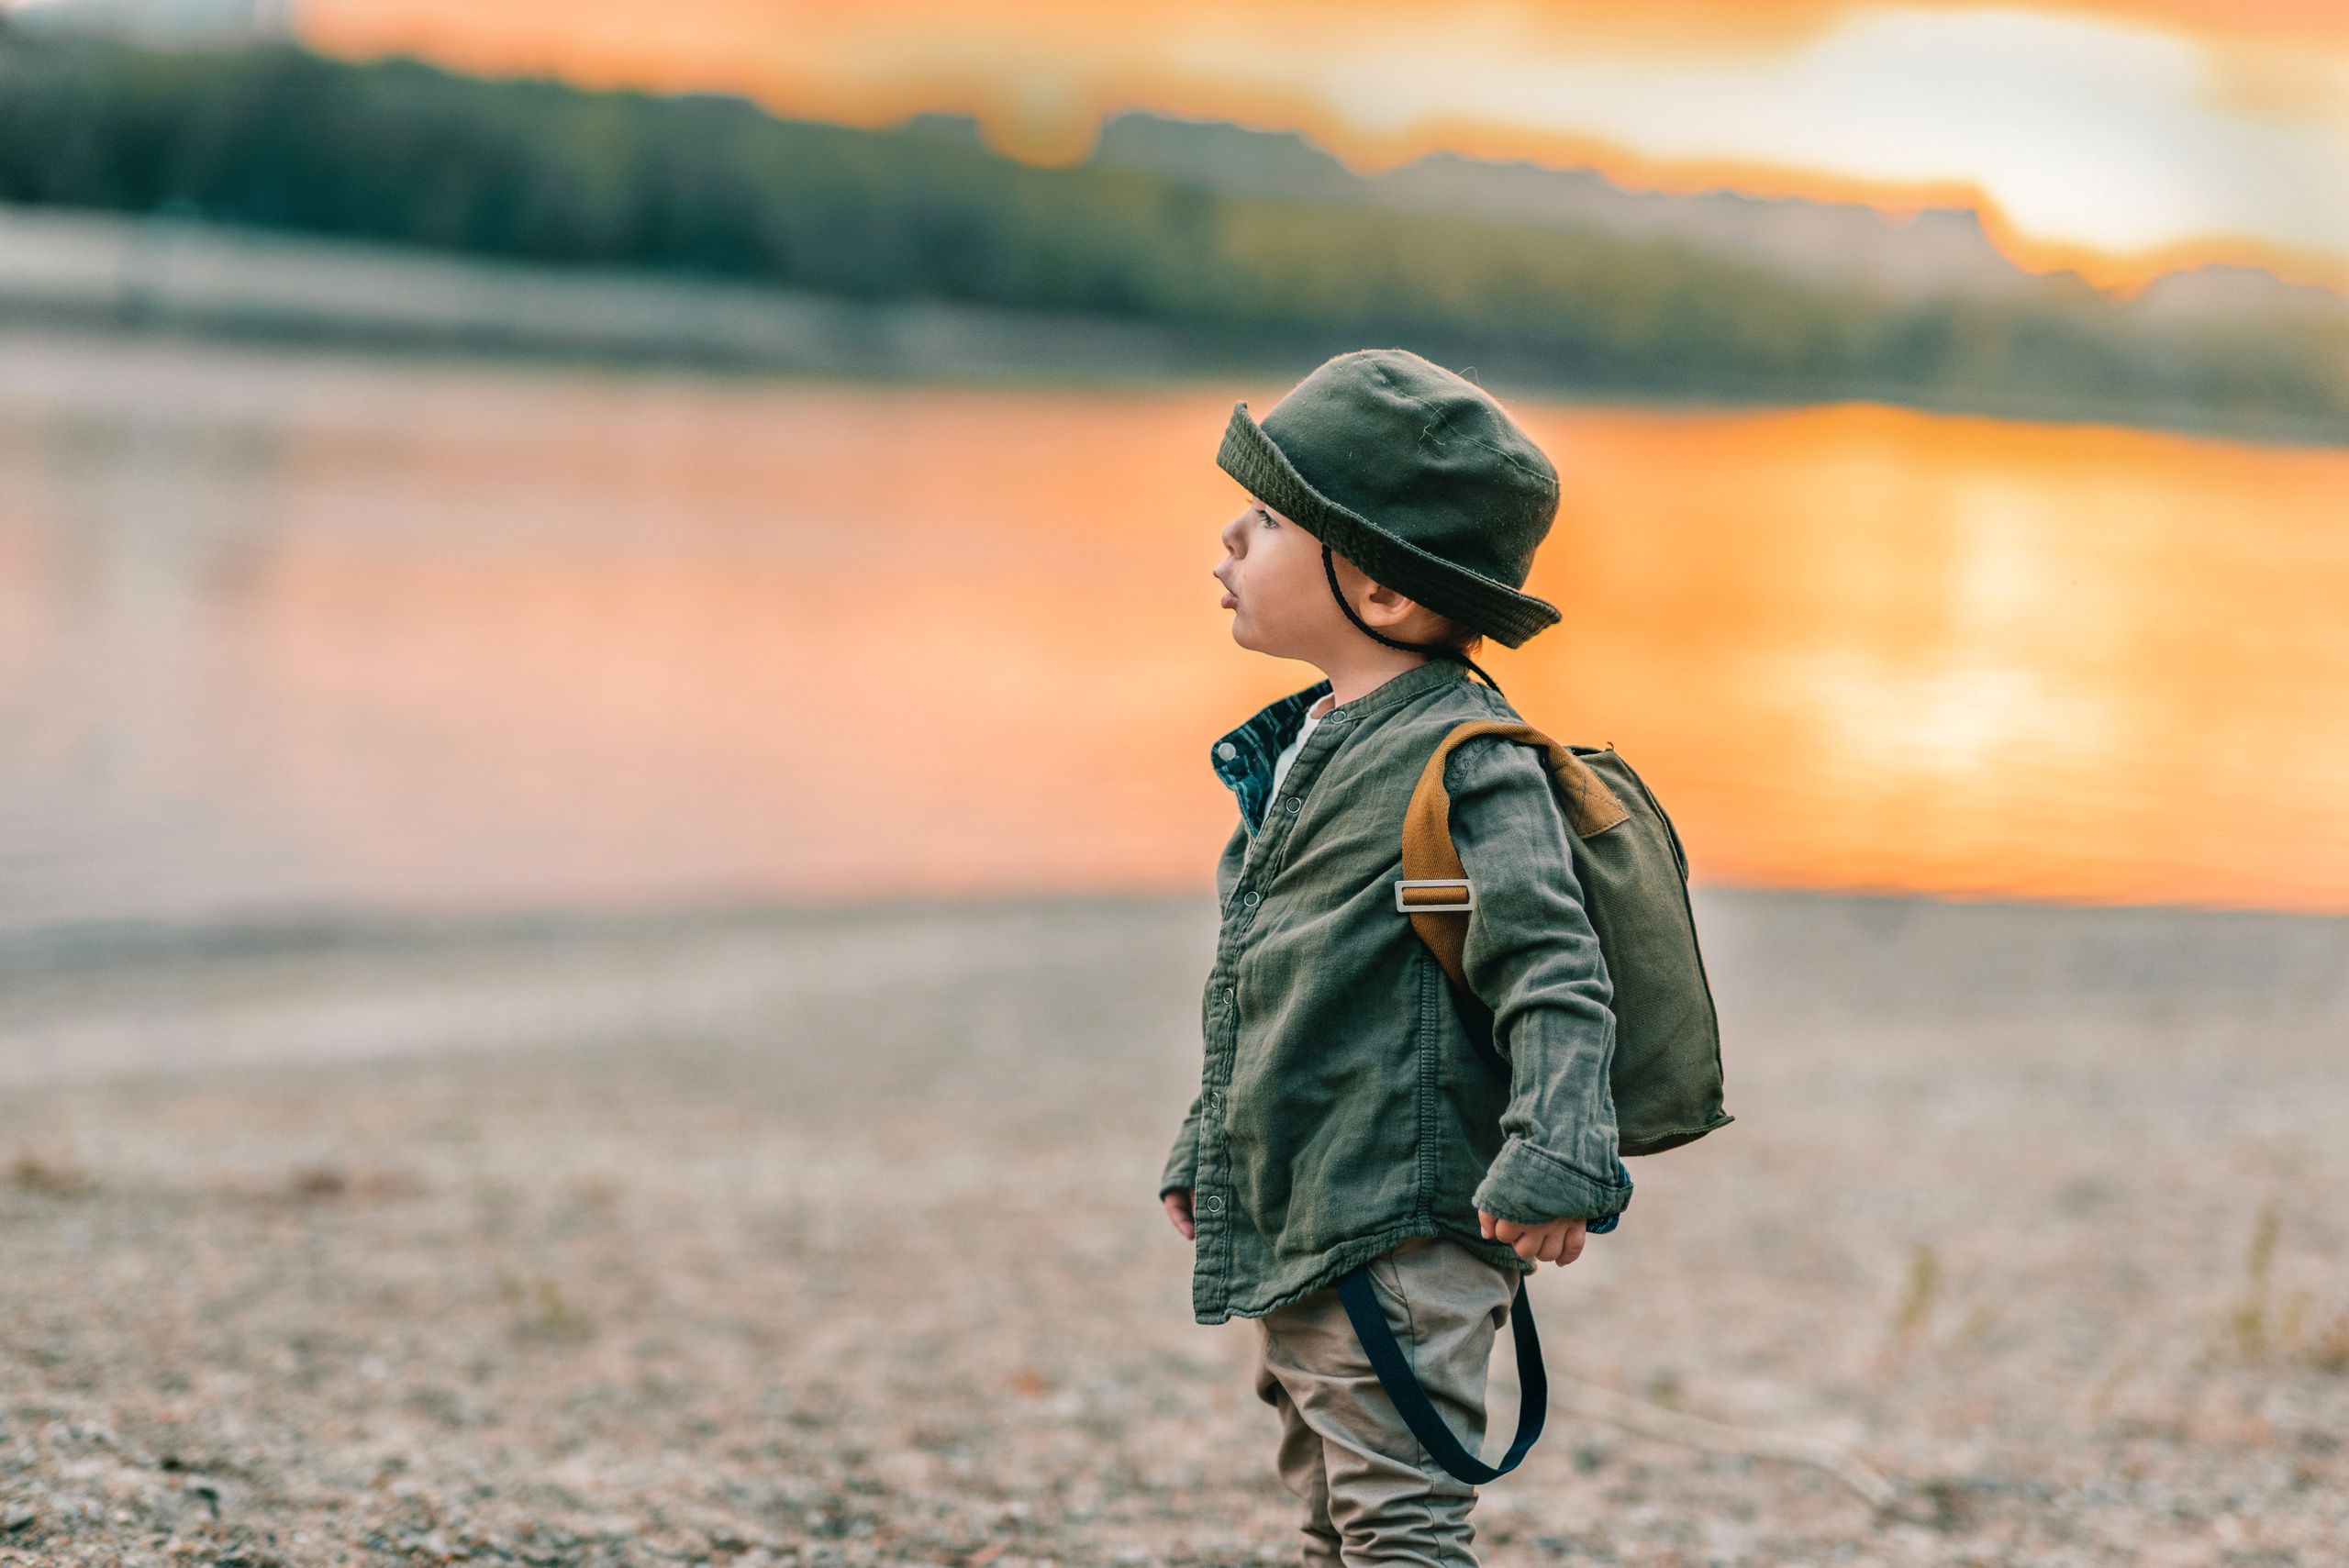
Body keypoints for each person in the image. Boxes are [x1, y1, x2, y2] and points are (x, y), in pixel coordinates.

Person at [1161, 349, 1630, 1568]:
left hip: (1405, 1225)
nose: (1228, 535)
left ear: (1378, 592)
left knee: (1400, 1521)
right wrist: (1204, 1144)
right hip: (1309, 1203)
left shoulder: (1468, 759)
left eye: (1266, 519)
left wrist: (1558, 1145)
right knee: (1332, 1504)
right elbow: (1269, 980)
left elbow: (1555, 969)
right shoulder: (1312, 743)